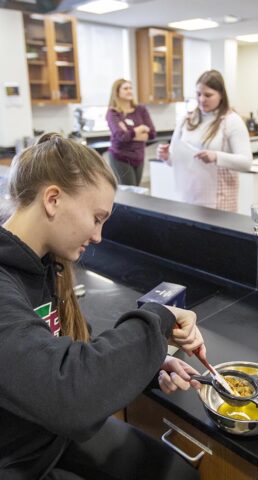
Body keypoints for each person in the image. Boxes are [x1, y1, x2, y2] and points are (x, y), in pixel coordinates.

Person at [0, 133, 205, 479]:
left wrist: (148, 363)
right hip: (18, 459)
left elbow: (73, 356)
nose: (98, 236)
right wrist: (160, 319)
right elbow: (68, 393)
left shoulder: (44, 265)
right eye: (96, 218)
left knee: (178, 474)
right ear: (53, 199)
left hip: (52, 436)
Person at [156, 70, 253, 212]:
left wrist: (216, 156)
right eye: (198, 94)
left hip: (219, 203)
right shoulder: (186, 119)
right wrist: (166, 157)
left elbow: (246, 163)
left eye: (208, 95)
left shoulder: (232, 121)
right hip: (189, 199)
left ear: (221, 95)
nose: (202, 99)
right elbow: (176, 161)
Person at [106, 78, 156, 186]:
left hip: (138, 157)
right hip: (121, 157)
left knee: (136, 191)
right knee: (130, 193)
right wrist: (140, 129)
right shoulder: (113, 113)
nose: (129, 91)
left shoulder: (140, 109)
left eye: (130, 88)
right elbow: (120, 136)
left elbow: (152, 133)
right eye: (125, 88)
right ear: (117, 92)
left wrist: (128, 133)